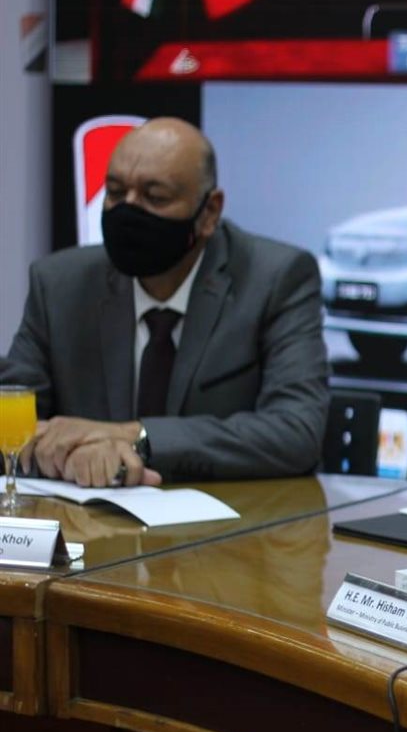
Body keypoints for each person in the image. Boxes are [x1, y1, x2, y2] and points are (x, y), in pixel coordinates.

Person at [1, 117, 329, 486]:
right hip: (89, 517)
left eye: (155, 197)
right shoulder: (60, 284)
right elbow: (11, 414)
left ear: (209, 211)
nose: (128, 210)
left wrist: (134, 436)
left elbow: (295, 432)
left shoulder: (275, 279)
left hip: (234, 518)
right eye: (115, 192)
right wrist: (68, 452)